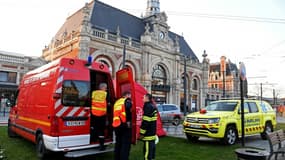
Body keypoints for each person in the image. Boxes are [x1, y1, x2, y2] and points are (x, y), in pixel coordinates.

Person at [113, 91, 132, 160]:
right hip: (124, 125)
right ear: (127, 95)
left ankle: (117, 158)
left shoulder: (117, 102)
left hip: (116, 125)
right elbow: (129, 109)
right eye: (130, 95)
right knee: (125, 144)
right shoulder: (126, 101)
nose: (130, 97)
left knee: (118, 143)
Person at [140, 93, 157, 160]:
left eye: (143, 97)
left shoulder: (148, 107)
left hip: (148, 135)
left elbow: (146, 122)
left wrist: (141, 133)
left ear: (147, 98)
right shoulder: (152, 106)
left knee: (147, 154)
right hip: (152, 134)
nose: (142, 99)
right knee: (151, 152)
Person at [91, 82, 108, 151]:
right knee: (101, 130)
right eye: (105, 88)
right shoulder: (106, 94)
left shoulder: (93, 93)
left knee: (94, 127)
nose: (106, 89)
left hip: (94, 113)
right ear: (103, 88)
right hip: (102, 115)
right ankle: (101, 145)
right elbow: (108, 103)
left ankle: (93, 140)